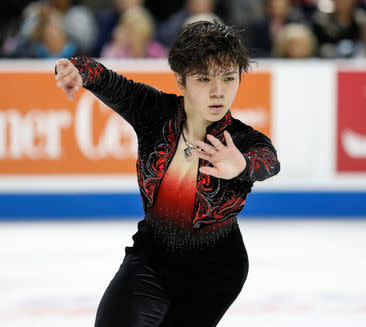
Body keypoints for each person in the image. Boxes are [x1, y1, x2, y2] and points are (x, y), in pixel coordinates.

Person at [54, 20, 280, 326]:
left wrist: (241, 166)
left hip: (215, 275)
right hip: (151, 260)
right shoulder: (153, 111)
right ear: (181, 81)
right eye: (203, 79)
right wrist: (76, 68)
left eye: (228, 78)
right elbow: (107, 80)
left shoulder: (241, 141)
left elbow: (268, 161)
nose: (218, 91)